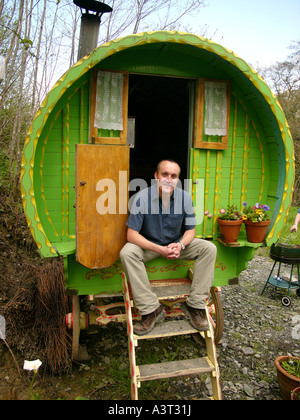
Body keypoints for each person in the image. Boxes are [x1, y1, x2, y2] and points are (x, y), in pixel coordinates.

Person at [120, 159, 217, 336]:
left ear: (178, 180)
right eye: (165, 174)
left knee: (208, 248)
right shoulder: (141, 198)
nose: (169, 179)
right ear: (156, 176)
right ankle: (151, 310)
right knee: (127, 252)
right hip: (149, 246)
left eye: (173, 176)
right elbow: (131, 235)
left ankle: (194, 306)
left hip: (175, 245)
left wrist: (180, 245)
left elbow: (191, 231)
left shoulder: (185, 198)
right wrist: (159, 249)